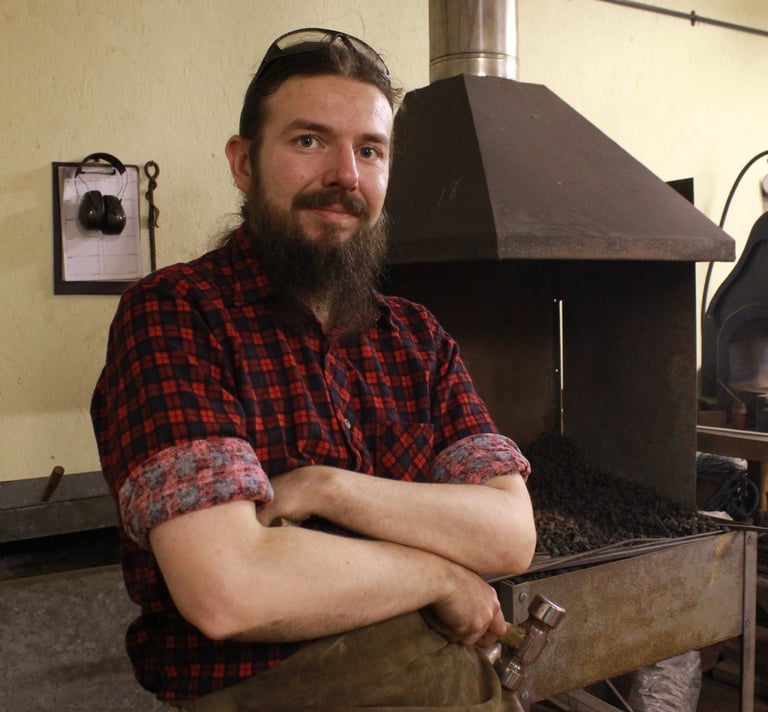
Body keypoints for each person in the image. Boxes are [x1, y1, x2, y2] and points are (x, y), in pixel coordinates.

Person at [91, 28, 536, 711]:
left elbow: (509, 536)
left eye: (369, 150)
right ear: (244, 164)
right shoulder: (177, 316)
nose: (344, 176)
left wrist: (327, 488)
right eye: (308, 141)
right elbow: (229, 591)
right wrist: (441, 576)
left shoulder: (417, 337)